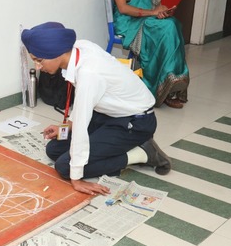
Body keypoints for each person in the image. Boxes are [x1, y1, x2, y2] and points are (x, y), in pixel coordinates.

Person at [21, 22, 172, 196]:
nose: (38, 67)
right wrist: (67, 126)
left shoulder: (89, 73)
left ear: (58, 53)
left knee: (64, 167)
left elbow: (82, 124)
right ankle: (119, 146)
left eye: (39, 60)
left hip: (136, 123)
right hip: (109, 114)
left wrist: (76, 179)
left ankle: (143, 153)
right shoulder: (78, 48)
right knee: (53, 149)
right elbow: (83, 105)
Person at [110, 0, 190, 109]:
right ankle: (163, 85)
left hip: (147, 19)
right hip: (127, 21)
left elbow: (155, 6)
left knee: (172, 24)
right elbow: (123, 8)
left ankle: (170, 84)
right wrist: (153, 12)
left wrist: (160, 12)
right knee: (168, 29)